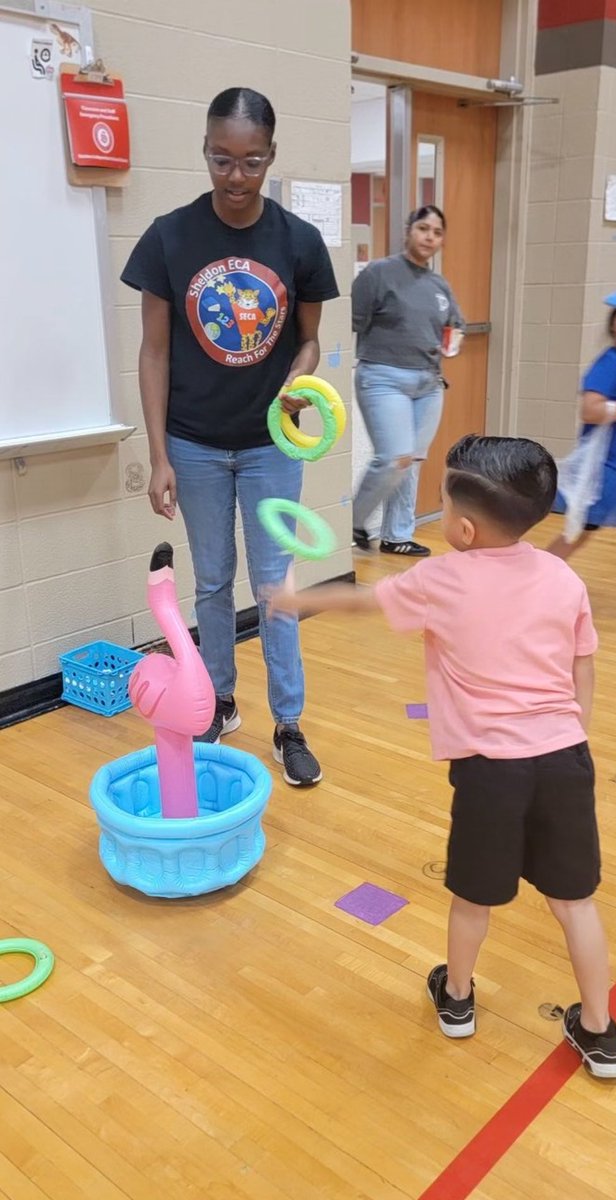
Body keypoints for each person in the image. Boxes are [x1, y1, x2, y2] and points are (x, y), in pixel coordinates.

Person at [269, 434, 616, 1078]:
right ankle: (600, 1034)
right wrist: (575, 736)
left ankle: (457, 999)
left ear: (461, 527)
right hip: (566, 759)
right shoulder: (563, 576)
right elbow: (584, 666)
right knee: (576, 902)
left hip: (492, 772)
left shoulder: (440, 577)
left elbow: (360, 602)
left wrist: (296, 599)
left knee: (472, 899)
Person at [121, 87, 339, 787]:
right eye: (222, 160)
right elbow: (154, 352)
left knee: (273, 585)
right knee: (212, 582)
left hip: (272, 442)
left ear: (271, 157)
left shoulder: (298, 242)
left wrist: (295, 380)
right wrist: (157, 455)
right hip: (193, 442)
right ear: (206, 153)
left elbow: (309, 343)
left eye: (251, 162)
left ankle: (289, 723)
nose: (236, 177)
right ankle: (217, 699)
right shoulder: (168, 236)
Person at [351, 204, 465, 557]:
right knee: (393, 457)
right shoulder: (379, 273)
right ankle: (352, 520)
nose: (429, 237)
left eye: (437, 232)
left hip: (428, 384)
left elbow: (455, 323)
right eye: (423, 229)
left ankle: (397, 535)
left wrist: (453, 339)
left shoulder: (438, 284)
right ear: (408, 231)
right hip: (383, 377)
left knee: (411, 460)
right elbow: (353, 320)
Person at [547, 284, 616, 629]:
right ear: (614, 324)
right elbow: (591, 411)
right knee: (576, 534)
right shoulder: (609, 363)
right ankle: (522, 586)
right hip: (607, 472)